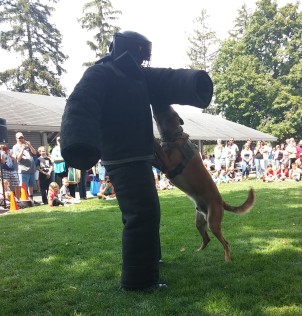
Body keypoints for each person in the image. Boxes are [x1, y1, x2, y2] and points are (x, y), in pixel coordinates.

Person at [60, 30, 213, 292]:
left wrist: (195, 84)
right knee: (141, 215)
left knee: (146, 212)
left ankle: (150, 260)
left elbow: (167, 80)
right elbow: (81, 104)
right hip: (123, 156)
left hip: (136, 154)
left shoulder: (135, 76)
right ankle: (139, 282)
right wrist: (79, 143)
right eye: (142, 56)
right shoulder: (102, 73)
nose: (145, 63)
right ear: (133, 50)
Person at [12, 132, 37, 203]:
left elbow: (34, 153)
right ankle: (24, 200)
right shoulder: (15, 147)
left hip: (31, 169)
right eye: (19, 138)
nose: (21, 139)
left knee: (31, 185)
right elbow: (18, 159)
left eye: (22, 137)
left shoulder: (27, 146)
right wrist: (22, 149)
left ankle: (31, 199)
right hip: (23, 170)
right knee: (23, 186)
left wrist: (30, 146)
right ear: (16, 138)